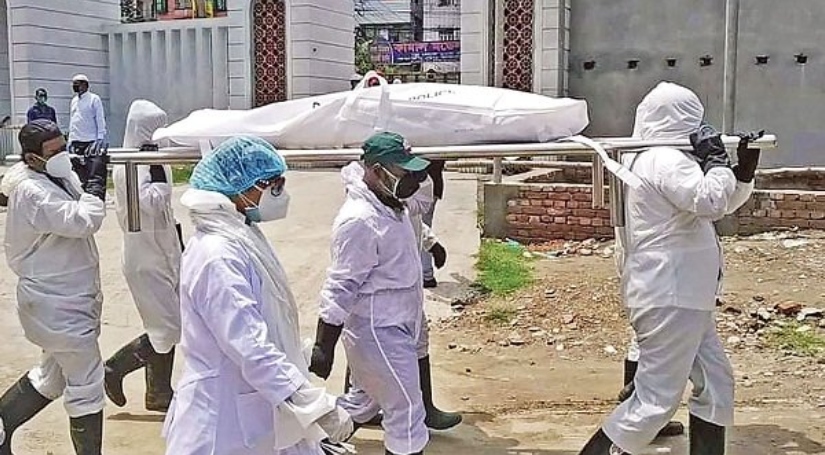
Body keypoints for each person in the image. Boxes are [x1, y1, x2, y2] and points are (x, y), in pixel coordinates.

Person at [580, 82, 762, 455]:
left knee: (716, 383)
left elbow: (710, 205)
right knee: (655, 402)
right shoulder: (665, 159)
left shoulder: (656, 158)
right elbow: (710, 201)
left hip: (683, 294)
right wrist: (716, 163)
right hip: (671, 293)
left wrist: (742, 175)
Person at [163, 136, 353, 455]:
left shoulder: (241, 234)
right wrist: (313, 407)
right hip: (221, 422)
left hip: (249, 407)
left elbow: (263, 318)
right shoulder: (217, 256)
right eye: (274, 185)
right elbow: (249, 344)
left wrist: (295, 352)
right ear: (241, 188)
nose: (282, 194)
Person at [310, 132, 430, 455]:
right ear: (377, 171)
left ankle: (305, 441)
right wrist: (324, 344)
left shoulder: (390, 205)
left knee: (364, 401)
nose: (411, 181)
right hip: (378, 331)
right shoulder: (359, 220)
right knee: (406, 409)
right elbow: (341, 285)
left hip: (397, 325)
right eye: (404, 172)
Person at [0, 119, 109, 454]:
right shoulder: (32, 191)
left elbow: (75, 201)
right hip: (56, 303)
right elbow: (83, 220)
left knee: (51, 377)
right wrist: (95, 185)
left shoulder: (54, 175)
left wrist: (83, 173)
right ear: (32, 158)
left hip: (63, 298)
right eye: (54, 151)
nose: (63, 155)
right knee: (87, 384)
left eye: (64, 146)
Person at [339, 163, 461, 433]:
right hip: (379, 301)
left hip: (405, 293)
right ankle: (336, 429)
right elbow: (341, 281)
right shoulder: (369, 203)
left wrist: (431, 243)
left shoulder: (401, 194)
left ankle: (423, 407)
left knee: (416, 345)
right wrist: (325, 337)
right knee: (370, 358)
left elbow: (412, 219)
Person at [105, 100, 182, 413]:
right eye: (153, 128)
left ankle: (159, 392)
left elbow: (166, 208)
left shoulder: (154, 158)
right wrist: (155, 168)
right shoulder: (127, 166)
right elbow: (151, 202)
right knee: (168, 328)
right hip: (144, 258)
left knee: (167, 324)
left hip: (164, 250)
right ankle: (114, 368)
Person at [69, 74, 108, 184]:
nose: (75, 86)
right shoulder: (74, 101)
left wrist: (100, 138)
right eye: (73, 84)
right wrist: (70, 140)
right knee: (78, 175)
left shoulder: (94, 99)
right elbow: (72, 120)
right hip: (76, 141)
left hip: (90, 142)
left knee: (92, 172)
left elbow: (100, 119)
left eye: (77, 84)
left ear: (85, 85)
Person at [420, 160, 445, 288]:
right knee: (423, 226)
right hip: (433, 184)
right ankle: (426, 274)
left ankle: (426, 274)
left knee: (420, 227)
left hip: (419, 187)